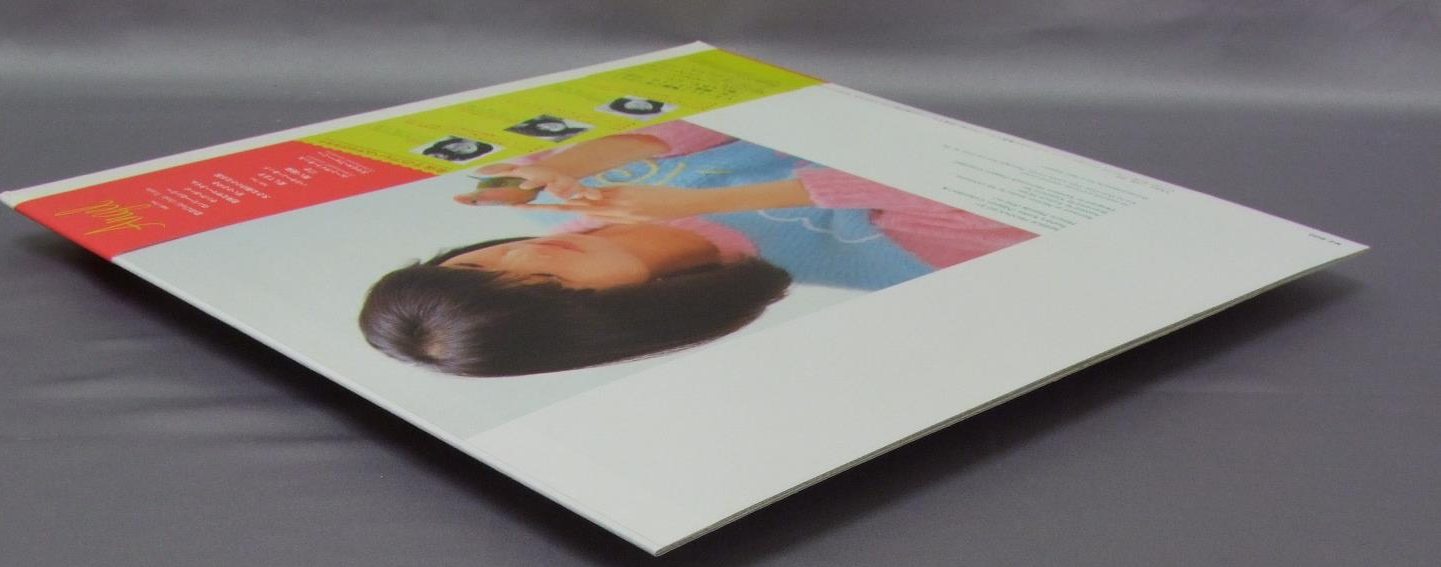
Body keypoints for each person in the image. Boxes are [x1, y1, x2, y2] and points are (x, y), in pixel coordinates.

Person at [360, 121, 1037, 377]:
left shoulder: (560, 188)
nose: (526, 258)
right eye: (547, 289)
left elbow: (715, 111)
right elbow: (984, 190)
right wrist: (718, 201)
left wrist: (575, 160)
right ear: (605, 319)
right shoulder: (869, 263)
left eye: (480, 266)